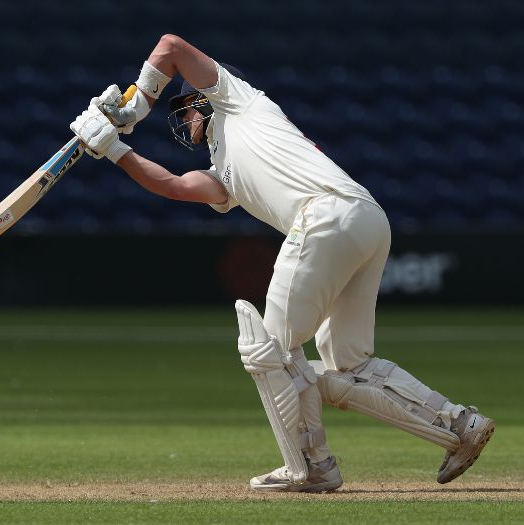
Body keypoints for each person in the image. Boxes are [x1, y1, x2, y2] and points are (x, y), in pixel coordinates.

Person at [69, 34, 495, 493]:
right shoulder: (222, 172)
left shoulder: (238, 100)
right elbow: (173, 185)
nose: (186, 118)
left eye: (188, 108)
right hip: (366, 219)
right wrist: (113, 150)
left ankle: (310, 466)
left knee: (269, 350)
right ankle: (458, 425)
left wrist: (134, 108)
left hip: (326, 215)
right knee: (347, 367)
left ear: (205, 99)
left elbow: (170, 47)